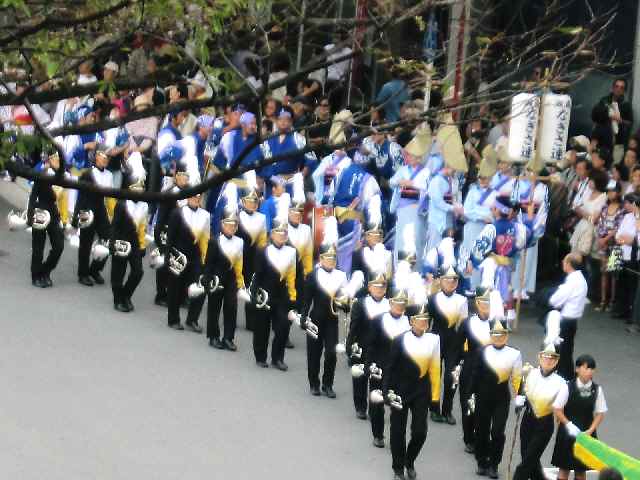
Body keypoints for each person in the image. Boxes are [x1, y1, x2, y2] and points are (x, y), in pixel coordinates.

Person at [383, 302, 441, 480]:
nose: (424, 322)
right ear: (410, 321)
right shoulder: (399, 340)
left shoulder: (434, 340)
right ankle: (398, 468)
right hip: (400, 390)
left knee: (420, 432)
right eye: (419, 319)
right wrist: (386, 391)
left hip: (421, 391)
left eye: (426, 319)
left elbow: (435, 369)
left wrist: (435, 398)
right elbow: (390, 368)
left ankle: (409, 460)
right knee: (398, 431)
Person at [471, 318, 523, 478]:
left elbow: (517, 378)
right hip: (482, 397)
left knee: (498, 431)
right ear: (491, 335)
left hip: (501, 399)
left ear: (507, 335)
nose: (498, 337)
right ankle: (481, 461)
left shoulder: (515, 354)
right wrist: (470, 396)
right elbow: (475, 377)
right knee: (481, 431)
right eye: (495, 334)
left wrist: (520, 396)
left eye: (502, 334)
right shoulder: (482, 352)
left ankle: (494, 463)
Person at [299, 233, 349, 397]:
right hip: (315, 319)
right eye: (327, 257)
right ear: (321, 258)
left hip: (332, 321)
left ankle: (328, 384)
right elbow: (307, 300)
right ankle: (314, 383)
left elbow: (345, 301)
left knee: (331, 353)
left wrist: (346, 304)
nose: (331, 260)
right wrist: (303, 316)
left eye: (333, 257)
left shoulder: (341, 276)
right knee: (313, 353)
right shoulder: (313, 275)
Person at [512, 343, 569, 480]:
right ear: (540, 357)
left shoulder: (561, 383)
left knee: (526, 463)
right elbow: (523, 392)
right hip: (528, 420)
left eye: (552, 358)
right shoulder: (529, 373)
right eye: (545, 357)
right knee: (530, 459)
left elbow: (559, 407)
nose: (548, 361)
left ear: (556, 361)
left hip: (544, 425)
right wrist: (520, 401)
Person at [193, 206, 245, 351]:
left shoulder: (240, 242)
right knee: (214, 308)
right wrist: (207, 280)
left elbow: (240, 263)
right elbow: (208, 264)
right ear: (222, 225)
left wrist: (240, 282)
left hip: (231, 280)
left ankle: (228, 338)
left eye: (234, 225)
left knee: (231, 308)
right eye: (228, 224)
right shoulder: (215, 241)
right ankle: (213, 336)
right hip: (216, 279)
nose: (231, 227)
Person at [365, 286, 410, 448]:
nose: (399, 306)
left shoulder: (410, 323)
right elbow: (370, 345)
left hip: (400, 371)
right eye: (396, 303)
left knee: (397, 406)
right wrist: (368, 365)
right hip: (379, 367)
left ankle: (396, 437)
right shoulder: (378, 320)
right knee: (377, 404)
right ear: (390, 303)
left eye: (402, 303)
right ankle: (378, 434)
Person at [250, 217, 297, 370]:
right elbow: (257, 274)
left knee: (283, 327)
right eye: (278, 232)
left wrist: (295, 299)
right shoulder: (262, 250)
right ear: (272, 234)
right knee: (262, 328)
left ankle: (278, 358)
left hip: (282, 296)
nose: (282, 235)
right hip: (265, 294)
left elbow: (295, 277)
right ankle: (260, 356)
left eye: (285, 232)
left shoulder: (292, 252)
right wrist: (254, 294)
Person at [551, 354, 607, 480]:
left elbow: (601, 413)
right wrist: (568, 424)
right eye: (586, 368)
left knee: (581, 471)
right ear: (577, 369)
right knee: (564, 469)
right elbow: (557, 408)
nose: (589, 371)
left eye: (591, 369)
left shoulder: (597, 390)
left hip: (586, 433)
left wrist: (590, 430)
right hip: (567, 433)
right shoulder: (568, 387)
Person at [428, 266, 469, 425]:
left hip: (455, 343)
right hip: (436, 342)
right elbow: (426, 323)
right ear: (440, 281)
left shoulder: (462, 300)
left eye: (455, 280)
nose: (451, 282)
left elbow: (464, 326)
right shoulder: (432, 299)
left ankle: (447, 410)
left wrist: (466, 348)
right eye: (447, 279)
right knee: (434, 377)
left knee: (452, 377)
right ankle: (434, 408)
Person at [455, 287, 494, 454]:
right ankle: (469, 437)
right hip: (470, 369)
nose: (486, 305)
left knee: (486, 406)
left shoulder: (497, 323)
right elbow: (458, 346)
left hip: (491, 370)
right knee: (469, 404)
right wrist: (457, 365)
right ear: (477, 303)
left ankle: (482, 437)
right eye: (483, 302)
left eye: (489, 302)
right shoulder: (467, 323)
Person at [347, 271, 390, 420]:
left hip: (380, 351)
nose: (379, 288)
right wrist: (349, 347)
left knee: (377, 380)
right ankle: (360, 407)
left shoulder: (390, 306)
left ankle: (375, 409)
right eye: (376, 285)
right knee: (360, 379)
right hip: (361, 347)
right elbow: (353, 328)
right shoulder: (360, 303)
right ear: (369, 287)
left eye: (383, 286)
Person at [165, 192, 210, 332]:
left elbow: (205, 239)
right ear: (188, 197)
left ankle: (192, 319)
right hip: (178, 255)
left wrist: (205, 260)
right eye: (193, 196)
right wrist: (168, 256)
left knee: (201, 287)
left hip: (196, 256)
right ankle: (173, 319)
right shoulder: (177, 213)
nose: (196, 199)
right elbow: (170, 237)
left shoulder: (205, 215)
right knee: (175, 288)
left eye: (199, 197)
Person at [109, 153, 148, 312]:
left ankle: (126, 294)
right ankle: (118, 299)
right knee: (119, 272)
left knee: (138, 272)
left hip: (134, 242)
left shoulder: (144, 205)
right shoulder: (121, 205)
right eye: (135, 188)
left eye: (141, 188)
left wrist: (142, 244)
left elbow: (142, 227)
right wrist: (112, 243)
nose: (138, 191)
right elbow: (114, 226)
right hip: (120, 240)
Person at [72, 144, 113, 287]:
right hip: (87, 208)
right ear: (96, 157)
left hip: (101, 209)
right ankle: (82, 273)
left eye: (107, 157)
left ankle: (95, 269)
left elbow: (109, 197)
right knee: (85, 243)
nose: (105, 159)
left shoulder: (109, 175)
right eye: (103, 156)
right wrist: (76, 216)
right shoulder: (86, 174)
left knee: (108, 240)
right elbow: (80, 196)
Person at [390, 128, 431, 268]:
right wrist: (399, 182)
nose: (410, 158)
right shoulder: (403, 170)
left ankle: (416, 269)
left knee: (415, 238)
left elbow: (427, 188)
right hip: (403, 209)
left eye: (413, 156)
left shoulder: (425, 172)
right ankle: (398, 267)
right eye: (409, 155)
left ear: (419, 157)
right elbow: (391, 182)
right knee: (401, 238)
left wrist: (412, 183)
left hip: (416, 210)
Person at [152, 160, 189, 306]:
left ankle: (181, 295)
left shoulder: (190, 193)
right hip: (167, 232)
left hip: (183, 235)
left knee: (182, 264)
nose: (184, 178)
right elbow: (160, 218)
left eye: (186, 176)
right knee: (164, 264)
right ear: (176, 176)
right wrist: (158, 238)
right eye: (181, 175)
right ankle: (161, 294)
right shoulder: (168, 193)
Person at [27, 152, 65, 287]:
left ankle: (45, 270)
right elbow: (33, 195)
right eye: (56, 158)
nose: (59, 161)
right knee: (38, 247)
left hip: (54, 214)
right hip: (40, 212)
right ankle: (35, 276)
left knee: (59, 246)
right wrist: (30, 215)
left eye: (60, 158)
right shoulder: (42, 174)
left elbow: (60, 199)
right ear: (50, 159)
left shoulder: (62, 176)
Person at [547, 253, 588, 380]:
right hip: (572, 320)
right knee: (567, 351)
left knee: (561, 352)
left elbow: (555, 300)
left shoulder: (572, 281)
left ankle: (564, 378)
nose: (562, 263)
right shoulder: (580, 279)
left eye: (564, 261)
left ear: (569, 264)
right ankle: (566, 376)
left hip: (565, 320)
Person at [236, 185, 268, 331]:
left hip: (253, 259)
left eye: (255, 201)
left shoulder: (262, 218)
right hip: (237, 256)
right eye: (249, 201)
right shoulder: (237, 216)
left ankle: (251, 321)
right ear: (243, 202)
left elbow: (262, 241)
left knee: (252, 288)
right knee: (233, 288)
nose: (252, 204)